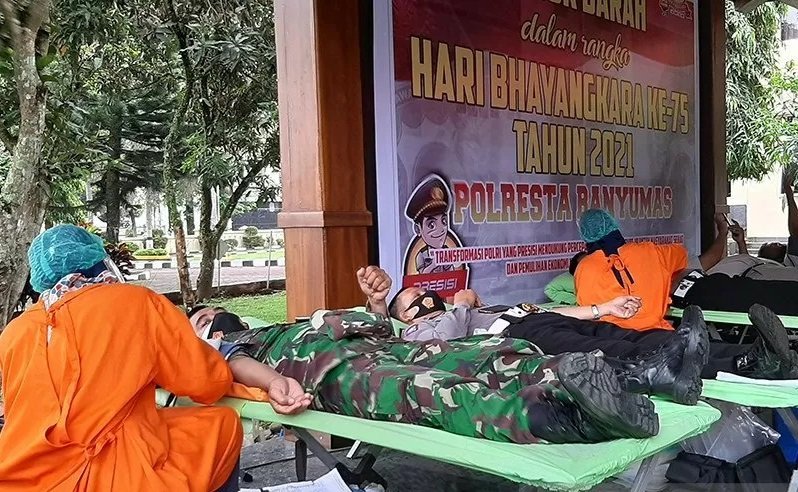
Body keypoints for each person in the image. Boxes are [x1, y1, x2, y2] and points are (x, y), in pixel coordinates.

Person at [189, 277, 660, 444]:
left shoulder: (283, 322)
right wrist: (273, 381)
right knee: (431, 391)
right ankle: (564, 420)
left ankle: (616, 382)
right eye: (202, 320)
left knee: (487, 355)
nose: (212, 317)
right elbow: (233, 364)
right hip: (332, 374)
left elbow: (376, 325)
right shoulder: (223, 347)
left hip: (382, 346)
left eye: (211, 310)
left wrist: (376, 307)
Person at [0, 225, 243, 491]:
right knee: (222, 423)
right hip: (115, 475)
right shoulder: (136, 303)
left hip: (24, 474)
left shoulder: (14, 332)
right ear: (94, 259)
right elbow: (206, 383)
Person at [389, 280, 798, 403]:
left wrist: (603, 308)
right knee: (627, 353)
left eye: (424, 292)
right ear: (404, 316)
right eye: (414, 299)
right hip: (519, 340)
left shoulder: (482, 305)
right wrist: (460, 306)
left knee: (651, 336)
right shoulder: (417, 332)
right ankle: (743, 366)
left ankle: (754, 355)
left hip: (539, 320)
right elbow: (441, 347)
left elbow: (536, 309)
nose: (424, 297)